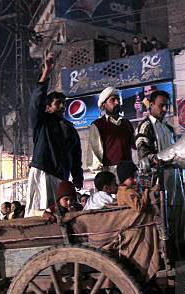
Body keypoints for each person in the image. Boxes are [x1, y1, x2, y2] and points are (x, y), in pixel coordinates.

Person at [25, 51, 83, 217]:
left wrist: (77, 177)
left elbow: (76, 156)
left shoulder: (71, 130)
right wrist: (46, 72)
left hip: (61, 176)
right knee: (40, 212)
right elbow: (35, 103)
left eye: (64, 104)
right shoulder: (42, 122)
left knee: (60, 213)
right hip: (42, 170)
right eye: (58, 103)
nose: (62, 107)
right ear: (48, 107)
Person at [136, 90, 185, 256]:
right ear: (151, 105)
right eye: (161, 105)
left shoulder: (169, 128)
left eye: (167, 106)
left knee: (178, 213)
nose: (165, 109)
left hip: (174, 179)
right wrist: (159, 159)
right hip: (157, 182)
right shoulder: (145, 126)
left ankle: (181, 251)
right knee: (162, 217)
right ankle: (166, 255)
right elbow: (143, 155)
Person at [87, 87, 135, 177]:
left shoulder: (127, 123)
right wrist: (101, 177)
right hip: (110, 175)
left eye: (118, 100)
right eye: (113, 100)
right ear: (104, 104)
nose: (117, 102)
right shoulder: (97, 125)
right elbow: (95, 154)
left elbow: (135, 145)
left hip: (128, 174)